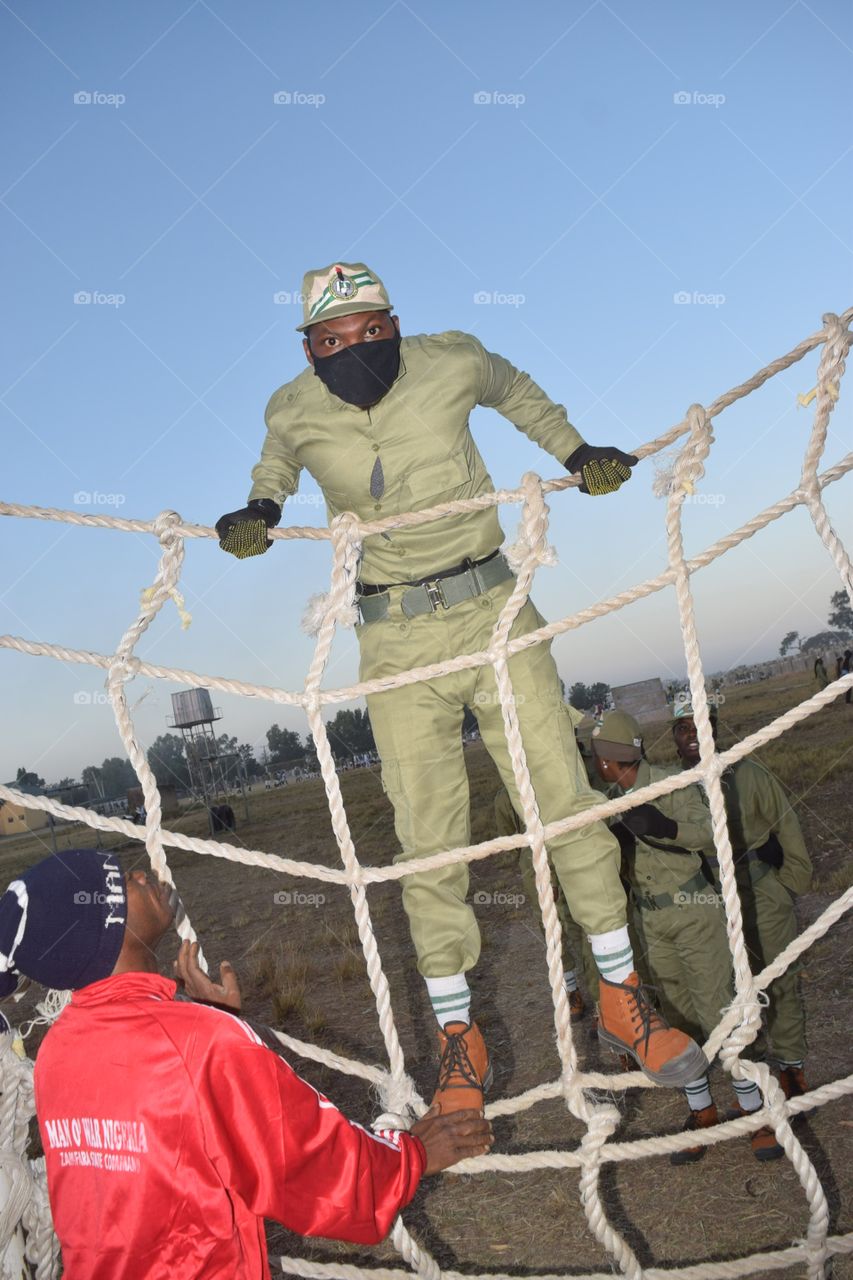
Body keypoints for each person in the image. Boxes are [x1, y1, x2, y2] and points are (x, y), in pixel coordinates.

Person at [216, 260, 707, 1112]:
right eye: (331, 340)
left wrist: (575, 450)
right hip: (394, 637)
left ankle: (622, 996)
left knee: (563, 800)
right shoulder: (290, 407)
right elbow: (277, 465)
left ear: (395, 324)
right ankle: (457, 1036)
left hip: (493, 608)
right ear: (308, 348)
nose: (353, 349)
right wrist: (259, 510)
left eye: (371, 331)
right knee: (428, 838)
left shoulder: (452, 358)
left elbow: (514, 390)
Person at [0, 850, 492, 1279]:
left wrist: (213, 1020)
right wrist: (413, 1155)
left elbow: (163, 1132)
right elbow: (316, 1168)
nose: (143, 874)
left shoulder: (57, 1052)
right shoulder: (202, 1045)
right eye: (124, 880)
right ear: (104, 930)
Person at [592, 710, 784, 1163]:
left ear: (607, 760)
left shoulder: (671, 783)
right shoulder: (606, 802)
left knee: (720, 1009)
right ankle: (702, 1111)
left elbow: (710, 833)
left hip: (693, 911)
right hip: (650, 920)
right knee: (674, 1019)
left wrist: (665, 828)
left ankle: (753, 1113)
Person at [673, 705, 814, 1106]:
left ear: (715, 728)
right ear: (674, 737)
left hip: (761, 891)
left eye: (700, 724)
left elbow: (786, 824)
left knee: (779, 982)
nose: (692, 733)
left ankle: (791, 1068)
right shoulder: (672, 787)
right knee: (726, 990)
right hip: (708, 899)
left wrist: (788, 884)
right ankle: (747, 1076)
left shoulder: (748, 773)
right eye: (682, 727)